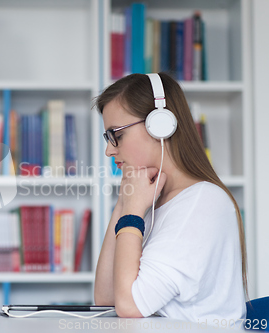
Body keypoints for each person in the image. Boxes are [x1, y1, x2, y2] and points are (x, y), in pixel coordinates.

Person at [93, 72, 247, 323]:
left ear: (160, 125)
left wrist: (132, 211)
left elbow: (129, 306)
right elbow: (106, 298)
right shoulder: (155, 201)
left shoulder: (202, 202)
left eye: (116, 135)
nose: (110, 150)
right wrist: (125, 201)